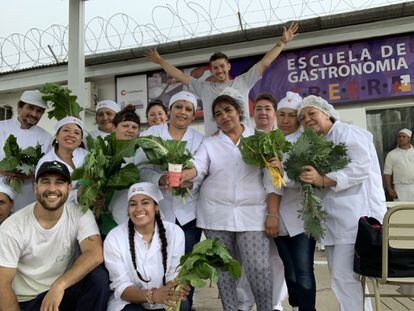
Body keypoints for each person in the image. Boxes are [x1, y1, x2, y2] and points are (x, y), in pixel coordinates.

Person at [180, 94, 281, 311]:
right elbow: (199, 166)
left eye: (228, 110)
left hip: (253, 214)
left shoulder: (260, 139)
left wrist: (272, 214)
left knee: (259, 268)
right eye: (218, 114)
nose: (224, 116)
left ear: (238, 112)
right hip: (216, 215)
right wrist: (186, 174)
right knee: (224, 271)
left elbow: (273, 181)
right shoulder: (210, 143)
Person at [296, 95, 387, 311]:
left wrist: (324, 180)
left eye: (311, 113)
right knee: (341, 278)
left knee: (346, 277)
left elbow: (360, 167)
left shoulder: (348, 132)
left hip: (356, 218)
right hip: (335, 222)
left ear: (326, 113)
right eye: (302, 117)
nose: (307, 119)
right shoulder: (319, 142)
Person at [144, 22, 299, 136]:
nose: (219, 70)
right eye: (215, 68)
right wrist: (160, 62)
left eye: (222, 66)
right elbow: (180, 76)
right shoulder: (204, 88)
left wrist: (282, 43)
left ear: (228, 66)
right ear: (212, 70)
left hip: (243, 142)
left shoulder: (242, 82)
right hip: (214, 143)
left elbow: (264, 63)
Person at [0, 160, 109, 311]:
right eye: (45, 182)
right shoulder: (12, 227)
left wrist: (59, 285)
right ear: (35, 187)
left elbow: (95, 254)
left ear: (69, 188)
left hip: (63, 290)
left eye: (59, 182)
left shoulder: (79, 213)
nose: (52, 188)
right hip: (30, 300)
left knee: (98, 277)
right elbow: (3, 286)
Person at [139, 91, 204, 309]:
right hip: (158, 212)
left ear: (194, 115)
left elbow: (204, 169)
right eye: (178, 107)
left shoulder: (199, 139)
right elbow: (141, 167)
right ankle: (158, 304)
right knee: (156, 262)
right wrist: (159, 178)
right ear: (170, 110)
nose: (182, 112)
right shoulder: (152, 134)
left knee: (185, 265)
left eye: (188, 109)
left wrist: (191, 180)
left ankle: (184, 306)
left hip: (188, 214)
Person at [237, 92, 287, 311]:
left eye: (268, 108)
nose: (263, 113)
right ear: (252, 114)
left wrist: (272, 213)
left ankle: (274, 305)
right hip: (248, 211)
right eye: (258, 109)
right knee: (247, 261)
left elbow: (275, 182)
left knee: (276, 260)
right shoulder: (244, 140)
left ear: (274, 114)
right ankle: (244, 304)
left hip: (277, 211)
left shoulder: (283, 141)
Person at [104, 182, 188, 311]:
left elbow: (174, 274)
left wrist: (176, 287)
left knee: (182, 306)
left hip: (164, 299)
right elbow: (121, 286)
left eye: (145, 202)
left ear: (156, 207)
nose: (139, 208)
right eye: (133, 204)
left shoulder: (175, 232)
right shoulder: (114, 237)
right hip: (129, 302)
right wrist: (152, 295)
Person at [275, 92, 317, 311]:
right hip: (277, 217)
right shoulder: (270, 139)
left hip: (302, 217)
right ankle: (296, 306)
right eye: (281, 114)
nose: (285, 119)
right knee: (289, 270)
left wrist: (282, 173)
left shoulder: (306, 141)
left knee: (303, 271)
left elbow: (304, 178)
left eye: (291, 115)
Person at [0, 90, 52, 212]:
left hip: (27, 197)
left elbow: (48, 169)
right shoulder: (1, 127)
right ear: (19, 107)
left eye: (39, 111)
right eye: (30, 108)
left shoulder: (47, 138)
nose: (34, 114)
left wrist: (32, 174)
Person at [36, 116, 88, 204]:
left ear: (80, 140)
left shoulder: (87, 156)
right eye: (66, 130)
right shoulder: (46, 162)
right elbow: (45, 194)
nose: (71, 135)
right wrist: (77, 195)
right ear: (56, 136)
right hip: (57, 211)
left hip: (85, 211)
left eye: (77, 133)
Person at [106, 105, 141, 227]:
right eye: (125, 126)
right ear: (114, 128)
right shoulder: (103, 152)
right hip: (106, 216)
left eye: (134, 127)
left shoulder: (142, 153)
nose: (130, 130)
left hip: (136, 217)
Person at [384, 128, 414, 201]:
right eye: (399, 136)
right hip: (399, 188)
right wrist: (389, 189)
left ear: (409, 139)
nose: (401, 138)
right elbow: (387, 173)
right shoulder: (391, 154)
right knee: (401, 210)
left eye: (404, 136)